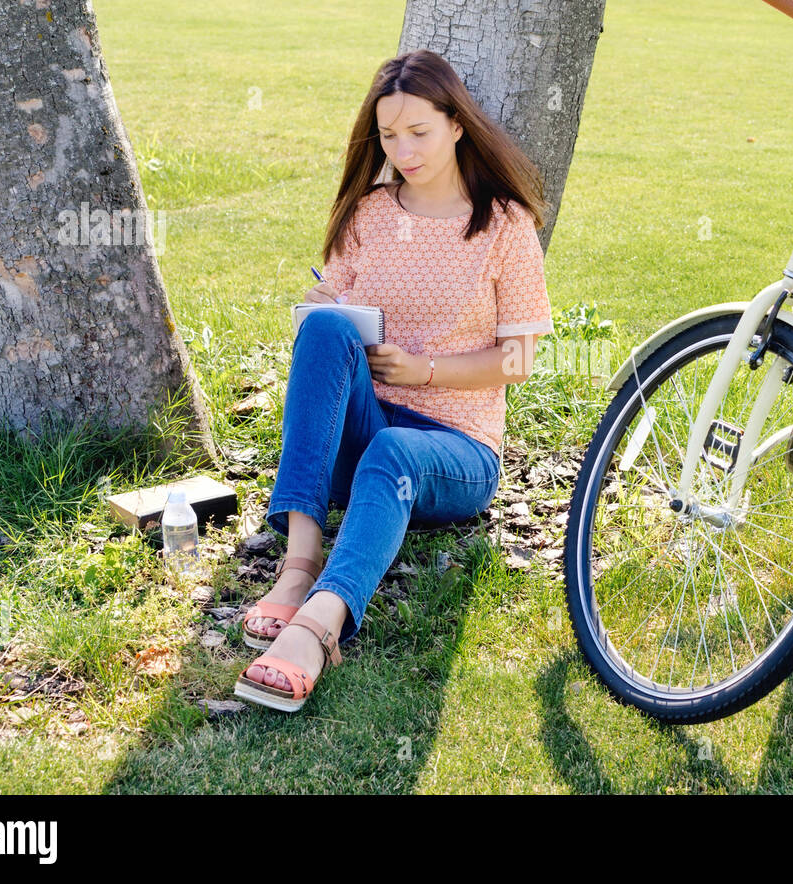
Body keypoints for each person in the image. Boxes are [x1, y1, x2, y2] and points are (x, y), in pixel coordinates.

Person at [234, 50, 554, 712]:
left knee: (393, 452)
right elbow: (329, 301)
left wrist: (425, 370)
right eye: (387, 136)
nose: (402, 150)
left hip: (455, 449)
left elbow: (519, 360)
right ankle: (297, 567)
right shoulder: (371, 213)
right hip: (367, 423)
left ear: (457, 124)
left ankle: (320, 626)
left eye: (419, 132)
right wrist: (324, 310)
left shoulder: (504, 225)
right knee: (323, 332)